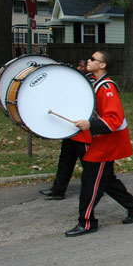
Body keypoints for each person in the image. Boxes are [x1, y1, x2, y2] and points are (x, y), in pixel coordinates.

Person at [64, 50, 133, 237]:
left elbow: (114, 118)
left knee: (90, 182)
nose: (89, 60)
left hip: (105, 143)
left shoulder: (107, 87)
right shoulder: (94, 83)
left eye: (93, 59)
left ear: (102, 65)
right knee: (106, 180)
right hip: (97, 140)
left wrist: (89, 124)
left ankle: (86, 222)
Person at [39, 60, 93, 200]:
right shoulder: (74, 80)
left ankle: (98, 187)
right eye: (79, 65)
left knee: (88, 161)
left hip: (83, 128)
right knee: (66, 159)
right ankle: (58, 189)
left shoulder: (91, 82)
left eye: (82, 66)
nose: (79, 68)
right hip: (70, 127)